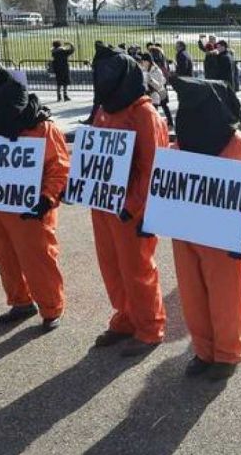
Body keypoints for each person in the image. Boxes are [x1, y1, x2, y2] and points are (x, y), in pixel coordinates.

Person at [172, 78, 241, 381]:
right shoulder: (180, 141)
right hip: (185, 230)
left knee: (225, 297)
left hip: (224, 232)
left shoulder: (236, 143)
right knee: (192, 294)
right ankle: (203, 350)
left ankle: (226, 354)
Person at [90, 43, 169, 357]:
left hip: (130, 210)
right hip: (104, 204)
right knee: (112, 267)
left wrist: (134, 206)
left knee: (138, 270)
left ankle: (150, 328)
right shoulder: (105, 109)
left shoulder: (144, 112)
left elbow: (153, 168)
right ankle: (125, 318)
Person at [0, 81, 70, 331]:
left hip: (33, 208)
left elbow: (59, 170)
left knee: (38, 259)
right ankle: (21, 302)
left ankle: (52, 307)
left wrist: (47, 199)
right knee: (4, 257)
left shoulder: (45, 129)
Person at [140, 52, 172, 129]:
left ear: (148, 61)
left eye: (143, 61)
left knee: (154, 114)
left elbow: (159, 85)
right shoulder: (143, 69)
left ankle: (167, 124)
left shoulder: (157, 70)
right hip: (146, 96)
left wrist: (150, 80)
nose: (142, 63)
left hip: (155, 96)